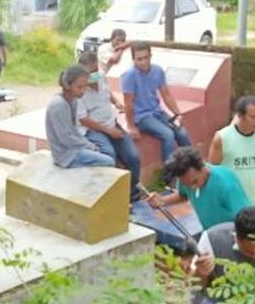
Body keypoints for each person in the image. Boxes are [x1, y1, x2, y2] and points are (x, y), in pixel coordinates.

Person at [77, 51, 141, 202]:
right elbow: (83, 120)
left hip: (112, 123)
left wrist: (117, 102)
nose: (93, 76)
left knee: (133, 156)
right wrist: (108, 132)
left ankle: (132, 193)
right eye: (88, 73)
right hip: (94, 131)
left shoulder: (102, 77)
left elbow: (108, 93)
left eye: (94, 71)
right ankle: (108, 197)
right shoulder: (78, 91)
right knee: (108, 157)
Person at [146, 147, 250, 230]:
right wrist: (162, 201)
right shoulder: (186, 179)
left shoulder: (226, 184)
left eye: (194, 181)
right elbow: (183, 195)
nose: (192, 187)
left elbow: (246, 220)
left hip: (234, 236)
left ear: (202, 166)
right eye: (187, 184)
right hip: (210, 234)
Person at [122, 42, 191, 163]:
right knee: (168, 135)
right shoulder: (129, 76)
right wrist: (131, 126)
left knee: (182, 133)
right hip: (141, 117)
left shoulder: (158, 70)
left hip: (157, 112)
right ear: (133, 59)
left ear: (150, 56)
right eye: (139, 59)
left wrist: (177, 113)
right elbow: (128, 103)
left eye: (146, 57)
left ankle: (193, 166)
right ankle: (169, 177)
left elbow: (167, 95)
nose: (143, 62)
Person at [209, 95, 255, 214]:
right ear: (240, 115)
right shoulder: (222, 138)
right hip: (228, 203)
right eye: (252, 117)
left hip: (253, 201)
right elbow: (212, 171)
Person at [45, 65, 115, 169]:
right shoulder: (59, 105)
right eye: (79, 87)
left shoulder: (73, 100)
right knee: (109, 162)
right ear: (68, 85)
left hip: (73, 149)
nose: (83, 91)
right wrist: (87, 146)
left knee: (103, 154)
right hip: (65, 155)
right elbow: (65, 138)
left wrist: (90, 145)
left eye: (85, 87)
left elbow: (74, 130)